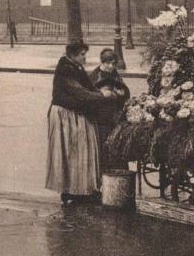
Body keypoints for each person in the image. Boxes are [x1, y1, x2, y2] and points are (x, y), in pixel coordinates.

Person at [45, 41, 116, 206]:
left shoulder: (76, 67)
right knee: (72, 152)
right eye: (82, 54)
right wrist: (102, 96)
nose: (85, 57)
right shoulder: (66, 69)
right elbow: (80, 93)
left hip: (75, 113)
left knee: (80, 151)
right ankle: (70, 191)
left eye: (85, 54)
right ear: (73, 55)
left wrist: (100, 92)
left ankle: (81, 190)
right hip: (66, 114)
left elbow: (88, 87)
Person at [89, 48, 131, 171]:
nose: (111, 66)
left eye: (113, 64)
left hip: (115, 117)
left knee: (116, 145)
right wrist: (102, 94)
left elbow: (125, 92)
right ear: (102, 62)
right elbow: (89, 95)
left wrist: (121, 93)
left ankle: (117, 173)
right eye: (107, 63)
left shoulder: (115, 75)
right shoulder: (95, 76)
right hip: (101, 118)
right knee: (103, 146)